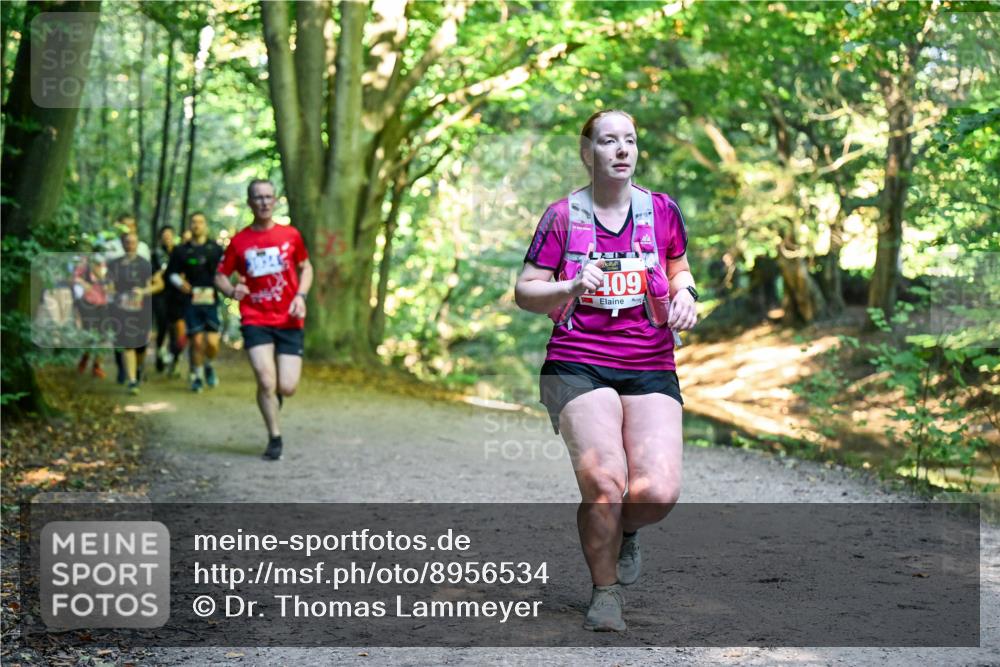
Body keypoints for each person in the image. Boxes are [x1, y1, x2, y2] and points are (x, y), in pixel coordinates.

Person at [514, 110, 698, 632]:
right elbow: (526, 290)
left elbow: (679, 265)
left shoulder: (661, 210)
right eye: (608, 141)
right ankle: (606, 593)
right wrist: (568, 287)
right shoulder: (562, 216)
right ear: (587, 151)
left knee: (657, 492)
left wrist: (685, 293)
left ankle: (625, 531)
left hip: (649, 359)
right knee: (602, 480)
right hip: (577, 358)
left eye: (630, 141)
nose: (621, 149)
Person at [215, 179, 312, 461]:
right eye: (258, 197)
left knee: (287, 387)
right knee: (266, 380)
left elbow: (306, 268)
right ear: (250, 202)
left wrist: (301, 296)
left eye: (268, 197)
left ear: (276, 200)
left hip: (289, 319)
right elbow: (220, 275)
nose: (264, 202)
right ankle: (274, 436)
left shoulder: (291, 235)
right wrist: (232, 290)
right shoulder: (240, 241)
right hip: (255, 318)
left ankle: (274, 397)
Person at [168, 213, 224, 392]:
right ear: (190, 226)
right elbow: (171, 273)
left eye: (200, 222)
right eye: (193, 222)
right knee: (197, 341)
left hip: (211, 300)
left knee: (213, 343)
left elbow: (225, 271)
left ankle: (209, 365)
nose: (197, 225)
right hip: (191, 301)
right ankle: (197, 376)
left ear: (206, 225)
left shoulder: (215, 249)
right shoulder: (181, 250)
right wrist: (180, 283)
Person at [107, 232, 160, 395]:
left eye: (133, 242)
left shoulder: (145, 264)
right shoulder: (114, 264)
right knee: (128, 344)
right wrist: (115, 295)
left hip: (142, 311)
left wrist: (143, 291)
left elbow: (157, 284)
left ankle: (137, 368)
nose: (130, 245)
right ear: (123, 244)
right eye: (127, 242)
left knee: (141, 346)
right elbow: (109, 285)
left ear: (138, 244)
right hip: (122, 311)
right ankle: (132, 381)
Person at [151, 225, 186, 374]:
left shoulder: (179, 252)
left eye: (169, 235)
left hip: (177, 295)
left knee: (177, 330)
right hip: (160, 295)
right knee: (163, 326)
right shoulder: (156, 254)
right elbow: (154, 275)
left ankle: (175, 358)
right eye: (164, 235)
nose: (167, 238)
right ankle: (160, 354)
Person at [73, 254, 111, 378]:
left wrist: (101, 276)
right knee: (89, 334)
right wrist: (83, 283)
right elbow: (74, 278)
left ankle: (97, 365)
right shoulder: (84, 265)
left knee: (103, 336)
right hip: (88, 304)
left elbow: (110, 287)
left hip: (103, 304)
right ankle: (85, 357)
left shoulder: (107, 267)